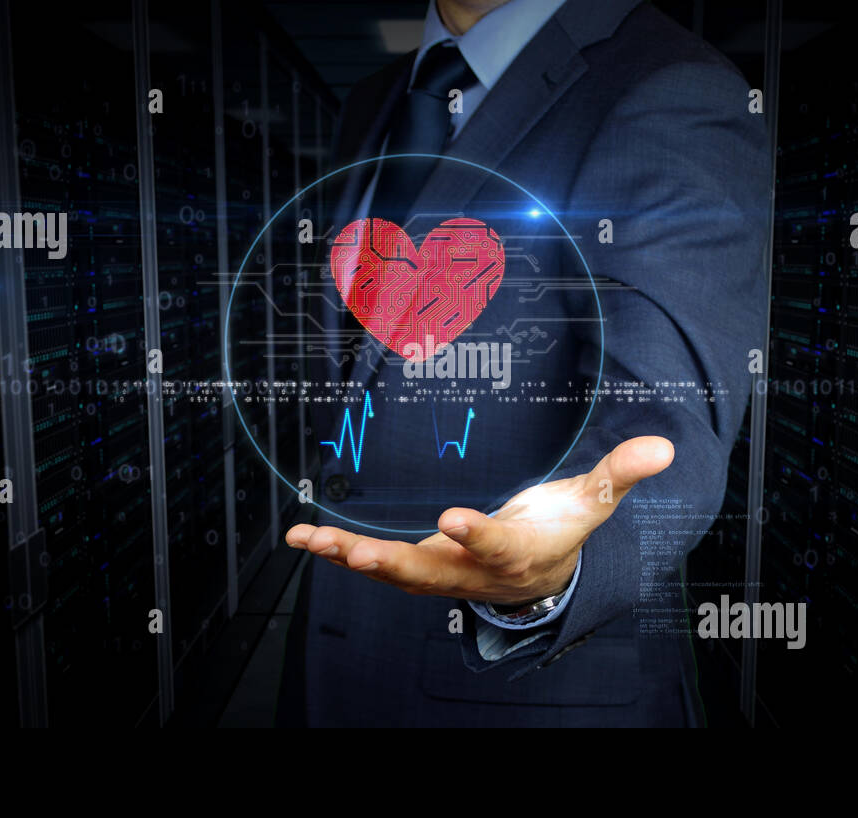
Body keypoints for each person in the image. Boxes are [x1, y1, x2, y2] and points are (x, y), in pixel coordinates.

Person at [278, 0, 769, 726]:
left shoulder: (668, 83)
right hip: (333, 659)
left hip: (521, 694)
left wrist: (553, 571)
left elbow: (668, 423)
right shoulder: (376, 100)